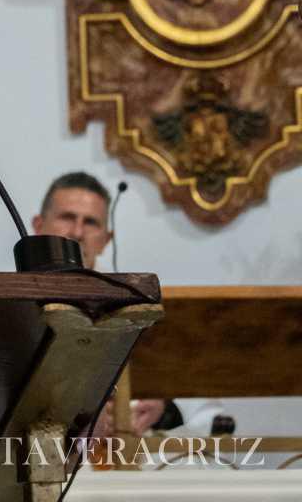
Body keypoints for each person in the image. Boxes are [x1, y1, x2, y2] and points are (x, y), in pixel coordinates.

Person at [34, 172, 181, 436]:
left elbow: (200, 399)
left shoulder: (137, 305)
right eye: (67, 217)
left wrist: (162, 405)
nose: (77, 232)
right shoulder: (1, 300)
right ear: (38, 225)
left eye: (90, 222)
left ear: (106, 240)